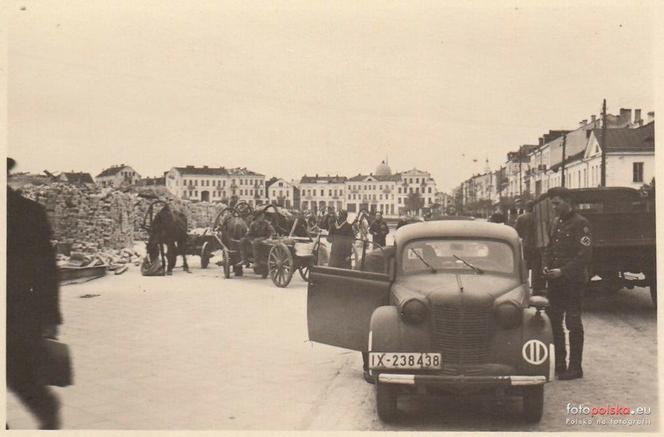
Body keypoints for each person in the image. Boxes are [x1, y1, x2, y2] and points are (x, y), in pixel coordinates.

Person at [6, 158, 63, 429]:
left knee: (28, 386)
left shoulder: (27, 213)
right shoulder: (28, 212)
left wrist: (50, 319)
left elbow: (46, 271)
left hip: (16, 317)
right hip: (20, 316)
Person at [542, 187, 592, 380]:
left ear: (567, 201)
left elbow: (585, 254)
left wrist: (563, 271)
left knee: (573, 322)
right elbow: (548, 248)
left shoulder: (581, 223)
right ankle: (560, 363)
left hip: (573, 281)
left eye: (557, 203)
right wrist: (545, 266)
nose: (554, 207)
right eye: (552, 204)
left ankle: (575, 367)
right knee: (554, 322)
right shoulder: (555, 223)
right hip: (555, 281)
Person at [515, 201, 545, 293]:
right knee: (536, 267)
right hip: (537, 246)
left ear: (527, 208)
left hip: (525, 245)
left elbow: (516, 231)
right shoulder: (539, 218)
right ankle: (535, 288)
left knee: (524, 266)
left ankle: (524, 287)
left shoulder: (521, 218)